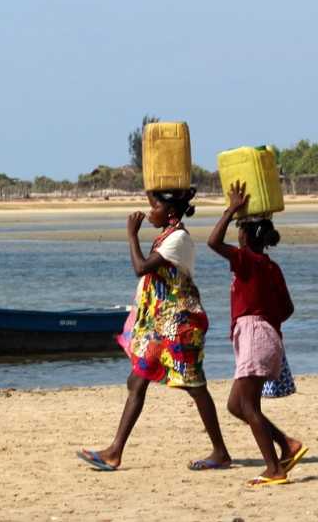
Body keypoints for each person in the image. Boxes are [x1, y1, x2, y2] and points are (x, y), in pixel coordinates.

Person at [77, 188, 231, 471]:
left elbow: (141, 267)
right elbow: (154, 199)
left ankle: (220, 452)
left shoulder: (178, 239)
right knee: (137, 381)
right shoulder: (166, 234)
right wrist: (155, 183)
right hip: (161, 326)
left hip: (179, 325)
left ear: (170, 212)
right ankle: (114, 452)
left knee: (196, 387)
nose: (150, 212)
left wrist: (132, 234)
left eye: (156, 207)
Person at [207, 180, 307, 486]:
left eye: (240, 229)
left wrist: (232, 209)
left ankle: (275, 469)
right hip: (266, 336)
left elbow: (212, 242)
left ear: (247, 237)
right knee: (237, 405)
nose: (236, 233)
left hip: (254, 335)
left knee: (248, 406)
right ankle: (287, 445)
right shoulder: (270, 266)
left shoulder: (246, 260)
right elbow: (288, 309)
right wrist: (267, 319)